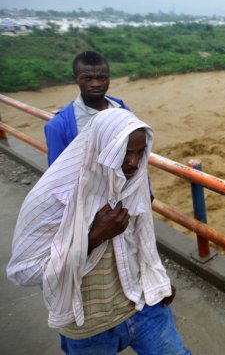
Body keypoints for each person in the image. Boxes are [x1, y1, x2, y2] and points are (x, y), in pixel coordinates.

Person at [7, 108, 190, 354]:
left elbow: (142, 240)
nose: (134, 163)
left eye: (140, 152)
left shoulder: (131, 184)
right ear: (100, 149)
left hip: (142, 306)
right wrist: (93, 239)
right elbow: (23, 272)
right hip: (87, 326)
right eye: (124, 153)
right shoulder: (51, 199)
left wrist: (157, 282)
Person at [44, 50, 130, 166]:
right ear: (75, 79)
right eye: (87, 78)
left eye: (102, 77)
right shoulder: (58, 126)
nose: (96, 84)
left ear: (109, 78)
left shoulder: (123, 111)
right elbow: (56, 175)